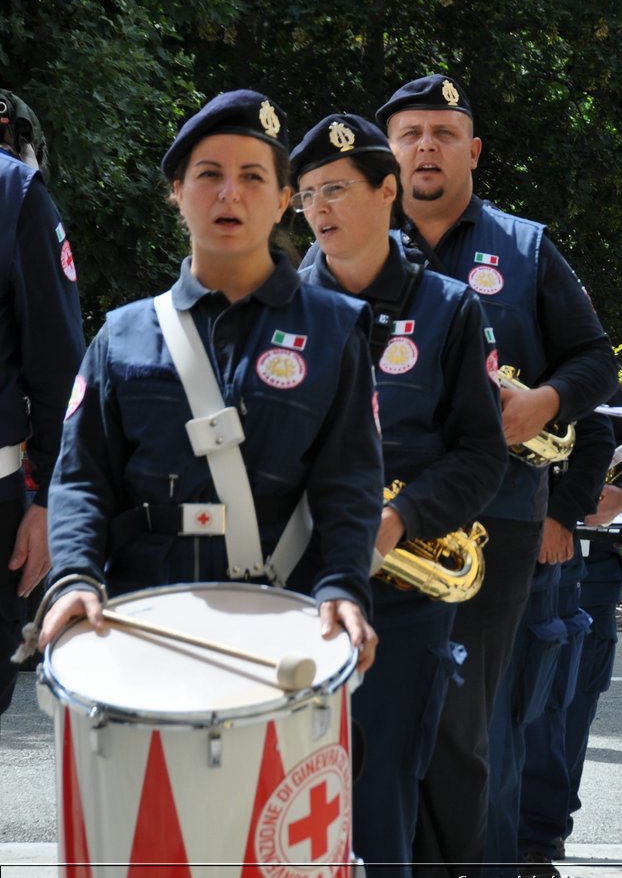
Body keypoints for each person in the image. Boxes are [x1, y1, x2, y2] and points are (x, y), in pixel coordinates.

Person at [374, 74, 617, 878]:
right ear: (387, 154)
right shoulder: (352, 246)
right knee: (383, 720)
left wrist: (545, 406)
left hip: (494, 524)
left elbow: (594, 363)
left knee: (470, 727)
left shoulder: (526, 247)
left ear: (473, 151)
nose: (426, 148)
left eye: (444, 133)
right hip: (380, 524)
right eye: (409, 135)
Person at [37, 90, 380, 668]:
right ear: (177, 192)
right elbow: (81, 480)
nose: (229, 193)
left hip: (287, 633)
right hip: (139, 626)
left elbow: (348, 484)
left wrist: (345, 586)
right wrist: (74, 576)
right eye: (209, 174)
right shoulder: (121, 337)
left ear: (282, 201)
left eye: (252, 177)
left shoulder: (335, 330)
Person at [292, 112, 508, 878]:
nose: (319, 209)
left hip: (401, 602)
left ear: (388, 192)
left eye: (338, 190)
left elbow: (482, 455)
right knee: (285, 803)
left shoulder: (450, 309)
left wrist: (399, 518)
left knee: (382, 806)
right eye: (307, 194)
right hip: (292, 598)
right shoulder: (271, 306)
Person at [491, 400, 615, 878]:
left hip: (540, 555)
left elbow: (604, 435)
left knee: (535, 710)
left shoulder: (557, 335)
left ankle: (532, 843)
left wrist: (562, 516)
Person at [0, 88, 85, 714]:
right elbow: (58, 366)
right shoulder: (18, 192)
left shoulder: (13, 195)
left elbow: (57, 368)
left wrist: (51, 497)